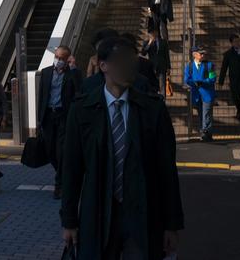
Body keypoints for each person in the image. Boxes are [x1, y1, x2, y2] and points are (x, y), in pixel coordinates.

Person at [61, 33, 183, 259]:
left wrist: (172, 224)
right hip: (97, 211)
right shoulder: (82, 110)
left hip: (144, 211)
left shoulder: (152, 110)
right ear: (103, 65)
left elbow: (167, 169)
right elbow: (72, 168)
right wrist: (69, 221)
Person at [37, 45, 83, 198]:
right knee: (50, 152)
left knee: (61, 151)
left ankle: (60, 185)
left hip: (64, 115)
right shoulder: (46, 73)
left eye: (62, 58)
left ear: (68, 59)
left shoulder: (72, 74)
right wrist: (39, 119)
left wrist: (74, 68)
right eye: (57, 57)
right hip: (49, 115)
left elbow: (80, 90)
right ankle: (63, 175)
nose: (58, 60)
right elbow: (42, 96)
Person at [184, 46, 216, 142]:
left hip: (207, 93)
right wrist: (194, 82)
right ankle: (207, 132)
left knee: (206, 113)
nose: (203, 55)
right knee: (201, 113)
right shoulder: (189, 66)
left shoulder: (210, 65)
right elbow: (186, 79)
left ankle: (204, 131)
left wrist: (202, 81)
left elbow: (213, 79)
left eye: (203, 53)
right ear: (194, 54)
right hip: (196, 94)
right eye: (200, 53)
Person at [141, 28, 171, 99]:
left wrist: (168, 67)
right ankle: (153, 100)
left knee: (162, 85)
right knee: (152, 84)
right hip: (151, 67)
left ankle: (163, 101)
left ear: (157, 33)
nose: (152, 34)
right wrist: (149, 44)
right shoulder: (146, 42)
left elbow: (166, 55)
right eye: (151, 33)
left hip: (162, 66)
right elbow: (143, 53)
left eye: (153, 33)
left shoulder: (163, 42)